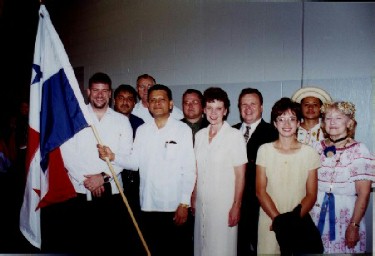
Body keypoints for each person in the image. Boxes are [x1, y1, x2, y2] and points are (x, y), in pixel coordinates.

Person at [98, 84, 196, 256]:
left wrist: (184, 203)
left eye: (161, 99)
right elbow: (135, 162)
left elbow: (189, 169)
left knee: (176, 250)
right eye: (153, 100)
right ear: (148, 105)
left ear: (171, 104)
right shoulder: (143, 130)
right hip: (148, 204)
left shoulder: (182, 130)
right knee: (151, 249)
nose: (157, 103)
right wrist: (113, 156)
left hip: (173, 205)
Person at [41, 72, 134, 254]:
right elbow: (67, 154)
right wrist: (88, 180)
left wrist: (102, 178)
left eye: (104, 91)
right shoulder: (74, 117)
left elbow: (125, 156)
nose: (100, 95)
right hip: (80, 189)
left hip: (112, 191)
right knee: (80, 242)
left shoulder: (122, 121)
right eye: (95, 90)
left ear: (110, 93)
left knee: (109, 243)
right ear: (88, 92)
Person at [256, 97, 321, 254]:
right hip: (269, 218)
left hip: (298, 220)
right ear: (274, 123)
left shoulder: (309, 153)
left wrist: (289, 222)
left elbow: (311, 195)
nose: (286, 124)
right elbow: (260, 190)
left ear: (298, 123)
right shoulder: (264, 150)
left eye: (292, 119)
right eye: (281, 119)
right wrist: (278, 221)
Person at [310, 101, 375, 253]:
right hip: (315, 212)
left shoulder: (359, 150)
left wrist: (354, 225)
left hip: (345, 216)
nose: (332, 122)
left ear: (349, 123)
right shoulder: (315, 147)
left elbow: (364, 193)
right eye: (328, 118)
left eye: (338, 118)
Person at [193, 87, 247, 256]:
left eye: (218, 108)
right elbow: (196, 170)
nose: (213, 113)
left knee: (221, 248)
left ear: (225, 111)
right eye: (209, 108)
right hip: (202, 202)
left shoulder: (234, 136)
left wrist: (236, 206)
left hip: (224, 205)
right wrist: (193, 196)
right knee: (202, 247)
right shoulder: (199, 135)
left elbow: (240, 175)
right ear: (203, 110)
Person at [232, 88, 278, 256]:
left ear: (262, 107)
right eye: (244, 104)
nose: (248, 108)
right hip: (232, 202)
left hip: (260, 204)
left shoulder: (273, 133)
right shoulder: (230, 131)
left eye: (253, 104)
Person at [113, 84, 145, 254]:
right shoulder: (105, 121)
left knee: (134, 226)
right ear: (114, 100)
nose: (125, 102)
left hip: (134, 181)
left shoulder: (140, 124)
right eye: (121, 98)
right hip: (111, 179)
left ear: (135, 103)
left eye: (130, 99)